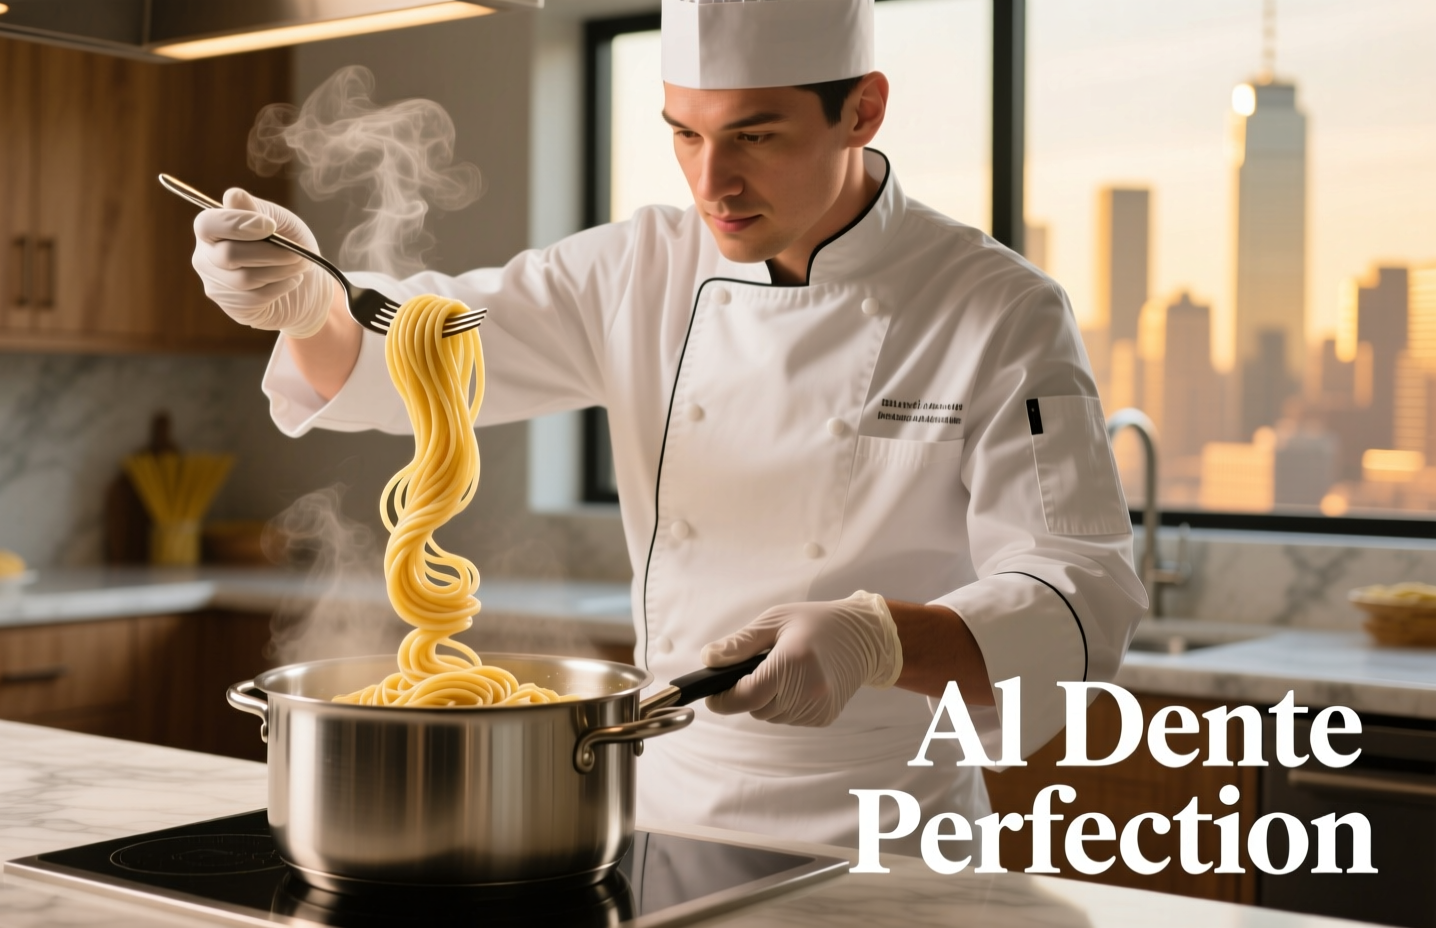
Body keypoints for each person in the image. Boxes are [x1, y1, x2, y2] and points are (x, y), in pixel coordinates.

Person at [191, 0, 1145, 850]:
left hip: (885, 831)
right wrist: (309, 301)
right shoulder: (636, 270)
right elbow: (428, 345)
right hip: (655, 812)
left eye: (757, 137)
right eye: (684, 135)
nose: (712, 182)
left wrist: (880, 638)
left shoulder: (995, 308)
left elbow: (1083, 592)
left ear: (863, 110)